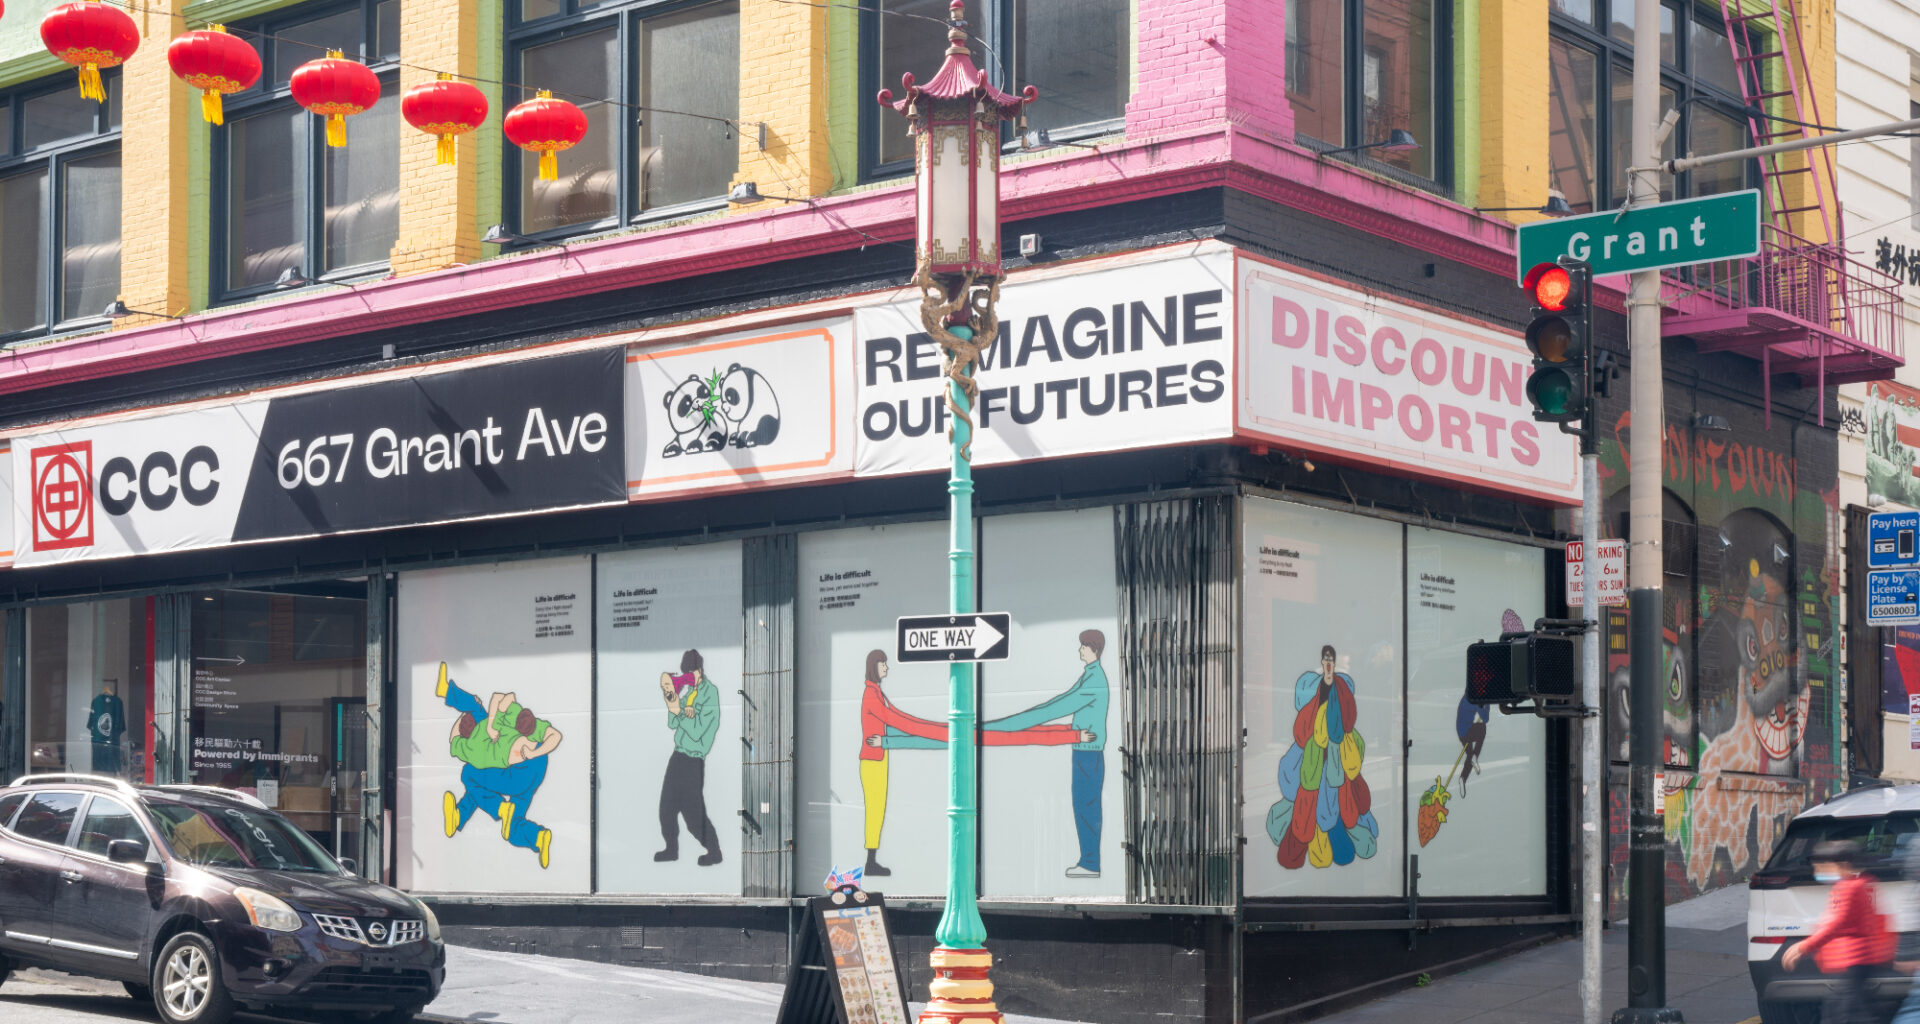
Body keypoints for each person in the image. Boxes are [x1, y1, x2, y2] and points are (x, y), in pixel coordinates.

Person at [858, 649, 1090, 878]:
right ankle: (870, 861)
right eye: (883, 664)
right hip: (873, 759)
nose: (886, 667)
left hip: (878, 756)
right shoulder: (872, 695)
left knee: (877, 810)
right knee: (875, 811)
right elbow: (897, 721)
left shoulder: (878, 693)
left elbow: (903, 720)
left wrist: (942, 731)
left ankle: (871, 860)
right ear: (874, 667)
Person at [983, 629, 1111, 878]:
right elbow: (1063, 700)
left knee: (1086, 807)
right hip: (1086, 751)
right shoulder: (1090, 676)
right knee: (1085, 806)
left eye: (1083, 647)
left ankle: (1090, 863)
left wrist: (1016, 722)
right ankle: (1089, 861)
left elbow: (1060, 706)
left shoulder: (1094, 680)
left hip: (1088, 753)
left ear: (1093, 649)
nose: (1080, 651)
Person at [1782, 839, 1895, 1024]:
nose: (1818, 872)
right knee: (1849, 1010)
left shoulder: (1850, 888)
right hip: (1853, 960)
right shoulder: (1855, 884)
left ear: (1843, 864)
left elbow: (1838, 923)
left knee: (1844, 1013)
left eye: (1823, 867)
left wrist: (1804, 946)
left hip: (1855, 959)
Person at [655, 649, 722, 866]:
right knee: (667, 807)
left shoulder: (709, 693)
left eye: (690, 673)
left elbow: (697, 731)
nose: (687, 677)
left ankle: (714, 851)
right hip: (678, 756)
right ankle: (671, 848)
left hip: (693, 761)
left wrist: (682, 713)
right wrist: (673, 701)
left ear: (699, 670)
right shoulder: (690, 693)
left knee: (693, 815)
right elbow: (672, 723)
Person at [87, 680, 125, 776]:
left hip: (100, 749)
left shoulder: (97, 702)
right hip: (110, 748)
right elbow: (121, 728)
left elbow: (90, 725)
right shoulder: (97, 702)